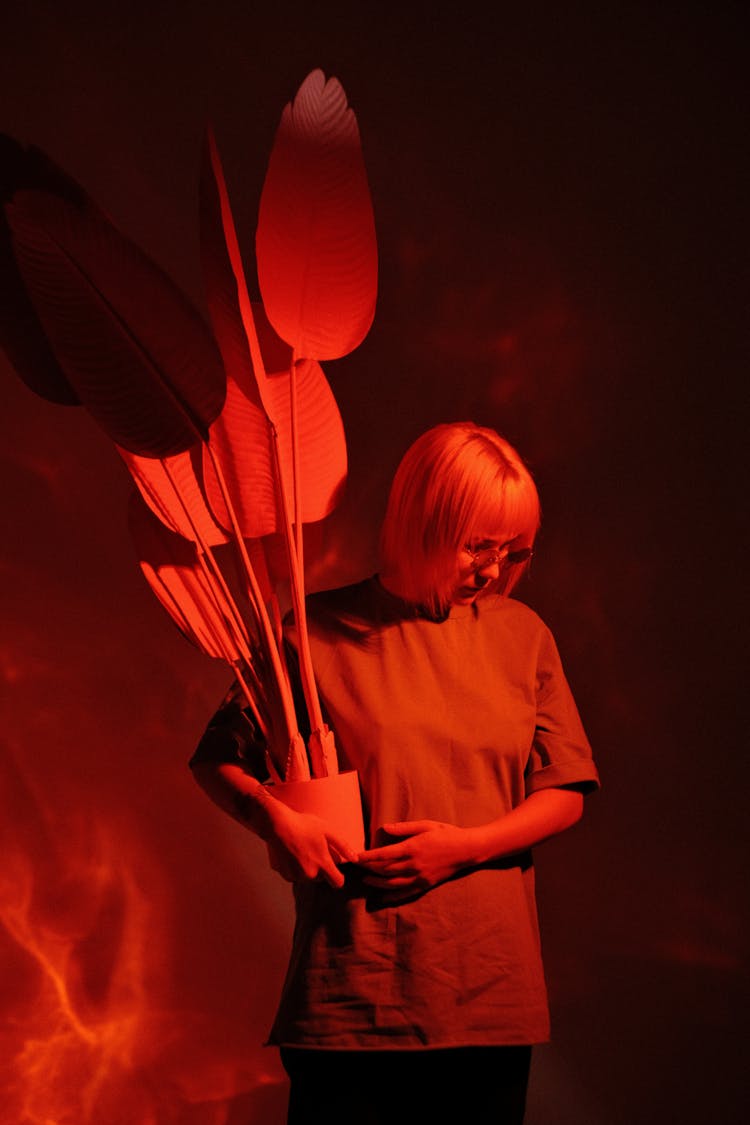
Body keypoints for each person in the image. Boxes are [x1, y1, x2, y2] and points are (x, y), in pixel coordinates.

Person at [190, 422, 600, 1125]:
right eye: (480, 543)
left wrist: (463, 848)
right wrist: (275, 817)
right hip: (351, 990)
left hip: (489, 994)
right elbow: (218, 760)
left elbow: (565, 792)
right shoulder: (313, 631)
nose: (495, 568)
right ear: (423, 518)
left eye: (513, 550)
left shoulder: (524, 636)